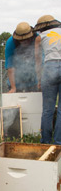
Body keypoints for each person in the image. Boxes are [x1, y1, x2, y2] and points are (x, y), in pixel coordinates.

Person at [34, 15, 61, 145]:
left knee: (47, 110)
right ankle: (58, 143)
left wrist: (39, 79)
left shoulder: (40, 37)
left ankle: (45, 142)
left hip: (50, 67)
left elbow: (38, 61)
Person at [4, 22, 40, 93]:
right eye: (21, 40)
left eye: (26, 39)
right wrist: (13, 87)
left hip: (34, 81)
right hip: (16, 82)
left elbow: (40, 61)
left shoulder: (37, 38)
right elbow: (10, 66)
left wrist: (40, 81)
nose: (24, 41)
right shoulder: (10, 42)